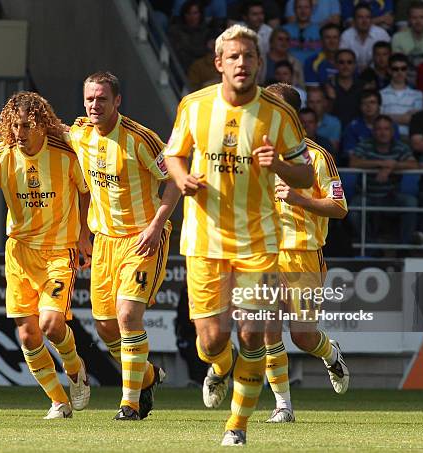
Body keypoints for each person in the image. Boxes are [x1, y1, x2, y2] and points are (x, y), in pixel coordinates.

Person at [164, 24, 313, 447]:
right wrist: (182, 178)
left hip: (260, 242)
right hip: (204, 240)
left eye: (249, 56)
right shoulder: (193, 106)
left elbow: (306, 173)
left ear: (259, 62)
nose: (242, 63)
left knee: (253, 331)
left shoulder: (279, 113)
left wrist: (279, 166)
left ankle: (237, 426)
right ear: (219, 63)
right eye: (233, 56)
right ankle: (218, 367)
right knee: (211, 342)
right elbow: (172, 155)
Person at [0, 91, 91, 419]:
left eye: (27, 126)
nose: (19, 133)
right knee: (28, 335)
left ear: (43, 125)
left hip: (59, 252)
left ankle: (75, 370)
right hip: (19, 253)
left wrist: (84, 236)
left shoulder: (66, 154)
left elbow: (87, 194)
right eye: (15, 125)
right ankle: (59, 402)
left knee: (51, 324)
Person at [64, 71, 180, 421]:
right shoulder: (82, 133)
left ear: (117, 101)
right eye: (89, 99)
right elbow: (56, 128)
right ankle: (146, 376)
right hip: (104, 242)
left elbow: (174, 179)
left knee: (128, 315)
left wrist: (157, 225)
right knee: (105, 326)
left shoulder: (140, 139)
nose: (94, 104)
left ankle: (129, 404)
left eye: (102, 98)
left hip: (143, 239)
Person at [262, 83, 349, 424]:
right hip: (264, 252)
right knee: (266, 326)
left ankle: (330, 353)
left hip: (303, 254)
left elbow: (339, 206)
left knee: (302, 335)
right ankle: (283, 405)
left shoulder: (316, 156)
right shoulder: (255, 155)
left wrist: (299, 200)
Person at [348, 115, 419, 244]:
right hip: (366, 195)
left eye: (386, 129)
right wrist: (382, 163)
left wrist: (393, 166)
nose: (383, 133)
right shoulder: (365, 145)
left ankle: (404, 246)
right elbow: (353, 162)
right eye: (379, 129)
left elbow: (414, 164)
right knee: (353, 211)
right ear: (373, 131)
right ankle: (370, 245)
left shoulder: (400, 147)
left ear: (392, 131)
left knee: (411, 203)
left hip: (391, 196)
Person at [380, 53, 423, 139]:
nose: (400, 72)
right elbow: (379, 120)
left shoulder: (418, 95)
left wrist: (387, 116)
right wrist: (404, 117)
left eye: (403, 69)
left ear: (407, 70)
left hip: (409, 139)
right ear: (389, 70)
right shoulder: (380, 94)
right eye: (395, 69)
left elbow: (414, 120)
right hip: (386, 138)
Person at [340, 3, 391, 72]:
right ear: (354, 20)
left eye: (367, 17)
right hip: (352, 74)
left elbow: (389, 59)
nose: (364, 21)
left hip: (377, 74)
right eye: (360, 17)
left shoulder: (381, 34)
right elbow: (342, 60)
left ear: (371, 19)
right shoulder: (346, 35)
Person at [325, 49, 365, 129]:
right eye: (341, 62)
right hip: (333, 130)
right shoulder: (328, 86)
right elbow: (323, 115)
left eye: (349, 62)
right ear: (335, 65)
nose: (345, 66)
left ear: (354, 65)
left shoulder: (363, 86)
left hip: (357, 131)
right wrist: (331, 100)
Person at [391, 2, 423, 70]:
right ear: (409, 19)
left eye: (422, 17)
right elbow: (397, 66)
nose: (418, 21)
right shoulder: (397, 38)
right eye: (414, 17)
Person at [282, 0, 322, 66]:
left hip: (314, 70)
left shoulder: (321, 31)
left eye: (306, 7)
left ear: (312, 10)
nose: (303, 11)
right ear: (294, 10)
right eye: (299, 7)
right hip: (289, 70)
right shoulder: (283, 30)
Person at [304, 23, 341, 88]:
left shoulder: (347, 61)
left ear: (339, 40)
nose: (332, 41)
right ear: (321, 40)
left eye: (335, 37)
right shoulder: (311, 62)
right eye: (328, 37)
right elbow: (312, 90)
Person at [307, 87, 341, 152]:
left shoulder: (334, 123)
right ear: (306, 103)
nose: (314, 106)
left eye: (318, 102)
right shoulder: (299, 121)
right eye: (311, 102)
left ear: (325, 103)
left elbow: (333, 149)